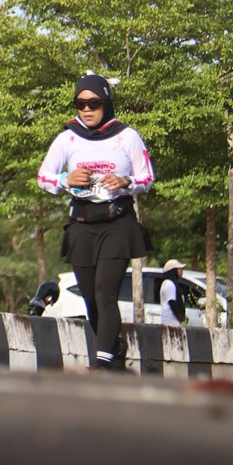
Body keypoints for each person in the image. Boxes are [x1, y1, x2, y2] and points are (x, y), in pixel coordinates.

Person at [37, 73, 154, 372]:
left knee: (105, 292)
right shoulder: (68, 138)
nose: (87, 110)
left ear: (107, 103)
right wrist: (66, 179)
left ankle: (101, 362)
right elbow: (43, 177)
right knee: (90, 297)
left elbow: (147, 177)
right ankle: (114, 348)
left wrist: (126, 181)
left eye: (94, 103)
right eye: (81, 104)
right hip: (82, 222)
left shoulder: (127, 136)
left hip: (118, 222)